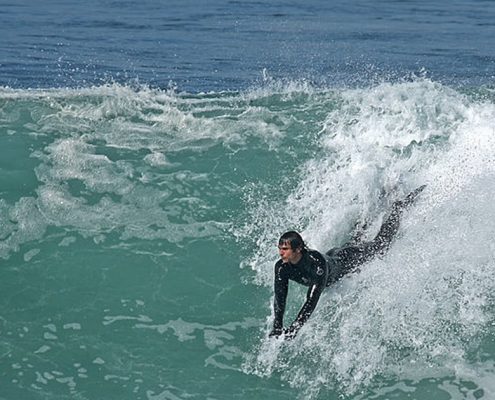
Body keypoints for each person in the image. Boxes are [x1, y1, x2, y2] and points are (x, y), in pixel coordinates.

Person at [269, 185, 426, 339]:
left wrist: (295, 328)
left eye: (285, 249)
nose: (280, 252)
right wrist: (277, 326)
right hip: (334, 255)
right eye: (280, 248)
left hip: (348, 260)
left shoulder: (317, 265)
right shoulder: (282, 267)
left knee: (381, 245)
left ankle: (398, 208)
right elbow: (280, 296)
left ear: (298, 249)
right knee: (357, 239)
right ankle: (380, 199)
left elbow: (312, 300)